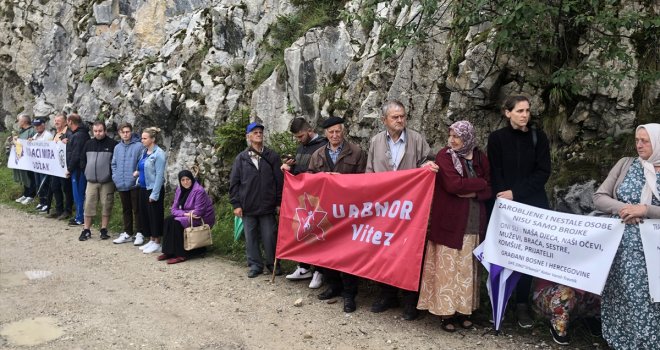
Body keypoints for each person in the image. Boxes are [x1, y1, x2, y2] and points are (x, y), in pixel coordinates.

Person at [365, 100, 438, 321]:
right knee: (383, 251)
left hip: (409, 209)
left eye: (403, 116)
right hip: (384, 208)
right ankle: (387, 294)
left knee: (409, 252)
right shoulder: (376, 141)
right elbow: (370, 171)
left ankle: (410, 299)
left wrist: (427, 165)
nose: (400, 120)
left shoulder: (416, 139)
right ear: (384, 120)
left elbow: (429, 160)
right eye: (395, 117)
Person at [417, 121, 491, 331]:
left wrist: (475, 190)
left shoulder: (479, 158)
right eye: (450, 135)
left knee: (466, 269)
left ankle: (463, 311)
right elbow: (452, 185)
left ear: (467, 137)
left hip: (474, 221)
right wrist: (480, 184)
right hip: (450, 221)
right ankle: (446, 313)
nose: (452, 140)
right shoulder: (444, 156)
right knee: (448, 269)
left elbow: (490, 187)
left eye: (457, 136)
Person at [593, 123, 660, 349]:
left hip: (652, 250)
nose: (639, 145)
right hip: (620, 246)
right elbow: (600, 197)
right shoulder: (626, 164)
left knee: (648, 299)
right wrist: (625, 208)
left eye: (645, 141)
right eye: (637, 140)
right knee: (620, 295)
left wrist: (645, 210)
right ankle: (621, 343)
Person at [487, 94, 551, 328]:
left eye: (527, 111)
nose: (524, 115)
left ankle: (522, 304)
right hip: (505, 206)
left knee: (527, 256)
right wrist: (505, 198)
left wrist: (516, 193)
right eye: (520, 111)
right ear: (508, 113)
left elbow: (543, 172)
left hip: (532, 206)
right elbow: (495, 171)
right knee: (504, 254)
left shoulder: (538, 137)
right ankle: (499, 302)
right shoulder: (496, 139)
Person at [306, 116, 366, 313]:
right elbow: (309, 180)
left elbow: (366, 181)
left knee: (348, 255)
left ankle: (349, 294)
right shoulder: (317, 155)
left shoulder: (356, 152)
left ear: (343, 132)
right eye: (330, 132)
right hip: (326, 212)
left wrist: (344, 182)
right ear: (325, 134)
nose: (334, 135)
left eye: (337, 131)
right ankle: (333, 286)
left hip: (348, 212)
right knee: (327, 251)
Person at [229, 122, 283, 278]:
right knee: (250, 238)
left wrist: (279, 203)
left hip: (267, 205)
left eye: (260, 132)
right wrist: (236, 204)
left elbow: (279, 182)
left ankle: (273, 264)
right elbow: (234, 183)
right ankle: (255, 265)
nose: (258, 134)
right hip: (248, 206)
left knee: (270, 237)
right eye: (255, 132)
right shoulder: (241, 158)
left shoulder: (272, 156)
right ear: (249, 137)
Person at [281, 117, 328, 288]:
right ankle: (304, 267)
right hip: (303, 198)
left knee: (319, 233)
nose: (298, 140)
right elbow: (301, 171)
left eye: (300, 136)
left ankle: (320, 270)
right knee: (303, 231)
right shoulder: (302, 146)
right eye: (297, 137)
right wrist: (291, 167)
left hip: (319, 197)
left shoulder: (323, 145)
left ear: (309, 131)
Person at [158, 170, 215, 264]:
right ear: (180, 181)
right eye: (183, 180)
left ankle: (181, 255)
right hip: (188, 215)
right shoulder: (179, 189)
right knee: (168, 220)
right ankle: (168, 252)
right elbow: (173, 209)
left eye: (188, 179)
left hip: (202, 218)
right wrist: (185, 213)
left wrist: (183, 213)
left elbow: (198, 212)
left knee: (176, 222)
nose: (185, 182)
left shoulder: (198, 191)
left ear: (191, 179)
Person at [78, 121, 117, 241]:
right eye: (95, 131)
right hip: (91, 181)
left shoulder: (113, 144)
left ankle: (104, 229)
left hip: (107, 181)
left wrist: (110, 174)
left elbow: (115, 162)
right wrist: (85, 170)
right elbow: (82, 159)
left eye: (100, 131)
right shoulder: (88, 143)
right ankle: (86, 229)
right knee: (88, 204)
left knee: (106, 204)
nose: (98, 133)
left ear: (105, 131)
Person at [531, 279, 601, 345]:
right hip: (550, 292)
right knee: (565, 292)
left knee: (601, 289)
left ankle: (591, 319)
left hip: (581, 292)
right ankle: (559, 325)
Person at [111, 122, 145, 244]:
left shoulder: (139, 146)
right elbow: (113, 164)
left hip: (134, 183)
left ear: (131, 132)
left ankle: (140, 233)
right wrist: (116, 177)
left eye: (127, 131)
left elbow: (142, 163)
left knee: (137, 209)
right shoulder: (117, 148)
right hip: (121, 183)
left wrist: (137, 176)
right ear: (119, 133)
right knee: (126, 209)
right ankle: (128, 232)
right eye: (123, 132)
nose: (125, 134)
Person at [136, 127, 167, 254]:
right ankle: (151, 239)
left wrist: (155, 194)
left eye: (145, 138)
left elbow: (159, 175)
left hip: (153, 188)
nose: (142, 140)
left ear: (152, 139)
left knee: (155, 215)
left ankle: (157, 242)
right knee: (146, 215)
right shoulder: (144, 152)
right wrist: (137, 173)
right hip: (143, 187)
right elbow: (143, 167)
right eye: (142, 138)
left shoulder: (159, 154)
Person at [46, 113, 74, 220]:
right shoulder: (56, 133)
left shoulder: (69, 133)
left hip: (64, 166)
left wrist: (66, 142)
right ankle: (59, 210)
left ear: (65, 122)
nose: (56, 122)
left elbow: (72, 145)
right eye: (55, 120)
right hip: (55, 166)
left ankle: (68, 210)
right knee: (55, 187)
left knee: (66, 189)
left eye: (59, 120)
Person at [65, 113, 90, 227]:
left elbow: (76, 154)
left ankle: (80, 218)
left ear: (70, 121)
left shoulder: (78, 135)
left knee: (78, 194)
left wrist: (69, 169)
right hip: (79, 168)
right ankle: (79, 216)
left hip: (79, 169)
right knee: (79, 193)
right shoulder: (79, 134)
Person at [29, 117, 54, 213]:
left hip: (45, 165)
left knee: (45, 184)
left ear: (43, 125)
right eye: (35, 125)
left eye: (39, 125)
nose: (37, 127)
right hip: (37, 164)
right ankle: (42, 201)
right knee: (38, 183)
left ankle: (47, 203)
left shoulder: (47, 135)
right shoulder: (35, 135)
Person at [12, 114, 36, 205]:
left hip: (30, 160)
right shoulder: (22, 131)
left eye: (19, 120)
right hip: (22, 159)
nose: (18, 122)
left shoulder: (32, 131)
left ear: (24, 121)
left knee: (30, 177)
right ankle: (26, 194)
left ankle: (31, 195)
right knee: (25, 176)